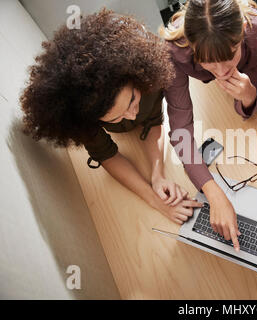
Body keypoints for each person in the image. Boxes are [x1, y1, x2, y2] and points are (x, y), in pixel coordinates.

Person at [21, 9, 202, 224]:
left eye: (133, 101)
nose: (133, 114)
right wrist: (156, 201)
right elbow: (107, 155)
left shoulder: (144, 79)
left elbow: (153, 121)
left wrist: (158, 175)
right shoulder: (84, 113)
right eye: (116, 118)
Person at [160, 0, 257, 251]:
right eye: (209, 61)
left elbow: (256, 104)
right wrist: (212, 190)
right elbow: (180, 130)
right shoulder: (174, 49)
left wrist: (249, 95)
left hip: (250, 78)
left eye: (229, 56)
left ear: (243, 29)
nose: (221, 72)